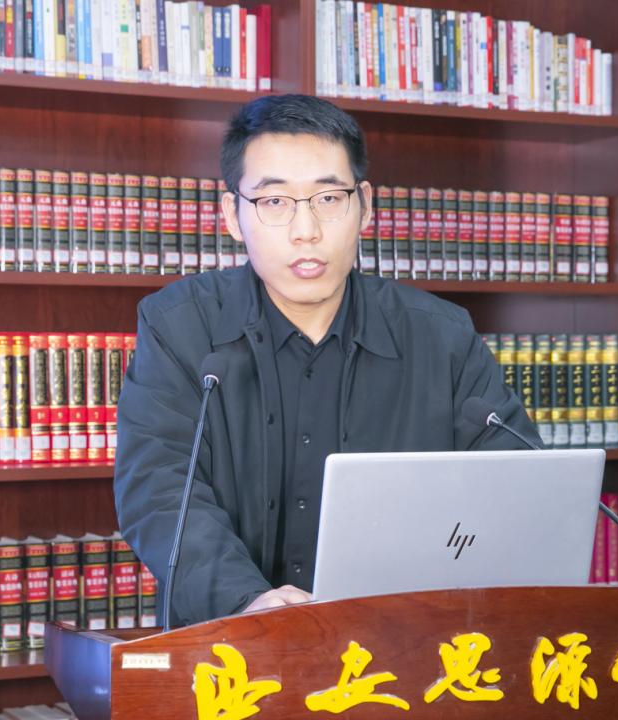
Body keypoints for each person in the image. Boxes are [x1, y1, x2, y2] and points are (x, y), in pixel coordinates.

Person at [114, 94, 539, 626]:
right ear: (232, 216)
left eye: (328, 198)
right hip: (229, 646)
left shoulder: (442, 336)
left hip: (403, 644)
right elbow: (158, 490)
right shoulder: (180, 327)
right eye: (274, 201)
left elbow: (514, 484)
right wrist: (247, 602)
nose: (306, 230)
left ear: (365, 206)